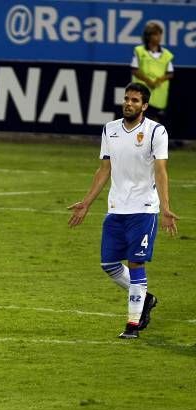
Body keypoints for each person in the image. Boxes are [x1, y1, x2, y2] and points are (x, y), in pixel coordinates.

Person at [67, 83, 178, 339]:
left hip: (144, 208)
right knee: (109, 264)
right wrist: (86, 203)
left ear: (145, 106)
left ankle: (132, 325)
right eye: (127, 99)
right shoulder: (110, 129)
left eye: (135, 100)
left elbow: (161, 171)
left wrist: (165, 208)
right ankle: (145, 298)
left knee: (136, 262)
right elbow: (104, 169)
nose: (129, 103)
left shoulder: (155, 132)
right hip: (116, 209)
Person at [131, 22, 174, 123]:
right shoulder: (139, 51)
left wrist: (159, 80)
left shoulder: (166, 54)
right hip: (141, 95)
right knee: (140, 121)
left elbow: (170, 73)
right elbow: (134, 70)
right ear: (148, 36)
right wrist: (148, 81)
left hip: (158, 98)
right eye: (155, 34)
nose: (158, 37)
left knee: (155, 123)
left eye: (159, 34)